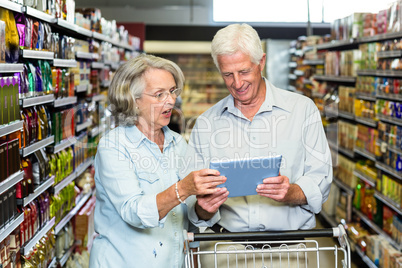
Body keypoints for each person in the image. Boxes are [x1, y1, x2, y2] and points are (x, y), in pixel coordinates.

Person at [181, 23, 333, 266]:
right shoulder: (206, 123)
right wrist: (204, 208)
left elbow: (321, 179)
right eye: (227, 74)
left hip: (289, 253)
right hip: (226, 252)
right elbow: (192, 204)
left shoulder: (302, 110)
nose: (237, 83)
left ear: (261, 62)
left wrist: (291, 192)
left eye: (244, 71)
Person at [89, 54, 226, 267]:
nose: (171, 100)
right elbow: (133, 211)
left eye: (172, 91)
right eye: (159, 94)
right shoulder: (113, 146)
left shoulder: (178, 144)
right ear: (132, 100)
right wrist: (183, 188)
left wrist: (205, 207)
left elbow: (190, 215)